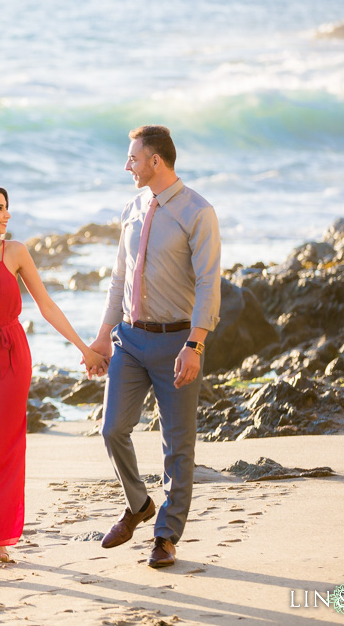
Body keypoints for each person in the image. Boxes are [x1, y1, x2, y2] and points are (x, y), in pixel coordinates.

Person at [0, 182, 107, 578]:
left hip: (11, 355)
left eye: (7, 207)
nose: (7, 215)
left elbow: (46, 305)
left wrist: (83, 347)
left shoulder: (16, 253)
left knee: (2, 447)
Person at [87, 125, 221, 569]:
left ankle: (165, 535)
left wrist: (196, 344)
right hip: (129, 338)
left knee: (177, 446)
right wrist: (104, 334)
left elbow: (208, 283)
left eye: (132, 158)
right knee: (112, 429)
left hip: (176, 342)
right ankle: (139, 503)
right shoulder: (132, 208)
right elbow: (119, 278)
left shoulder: (198, 212)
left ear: (155, 161)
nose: (127, 165)